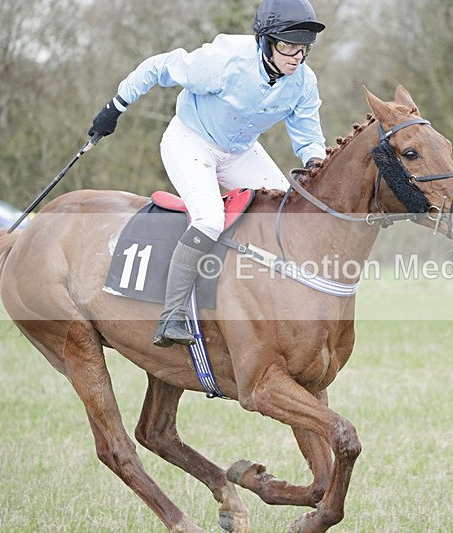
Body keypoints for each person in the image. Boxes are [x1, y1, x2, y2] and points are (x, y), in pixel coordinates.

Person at [89, 0, 327, 347]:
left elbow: (307, 135)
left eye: (304, 48)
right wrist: (116, 106)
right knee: (210, 219)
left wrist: (315, 164)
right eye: (287, 45)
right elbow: (159, 67)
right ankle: (171, 316)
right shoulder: (223, 61)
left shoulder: (303, 82)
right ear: (264, 41)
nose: (297, 56)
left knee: (288, 215)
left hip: (239, 152)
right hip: (190, 141)